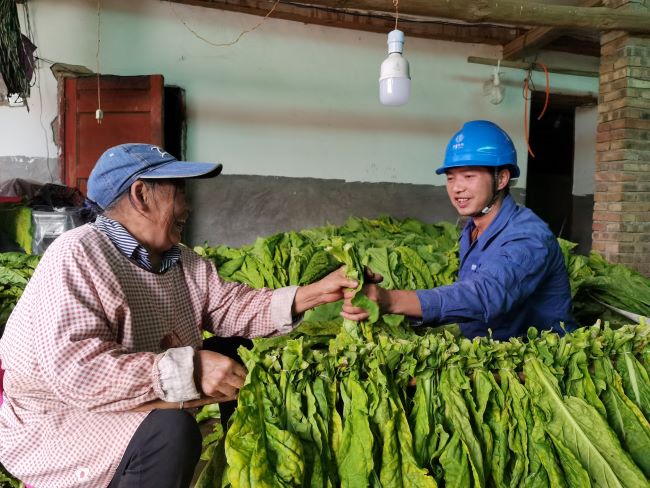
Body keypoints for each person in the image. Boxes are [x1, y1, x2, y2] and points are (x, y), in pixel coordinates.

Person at [0, 143, 358, 488]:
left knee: (234, 350)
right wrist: (194, 369)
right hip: (62, 422)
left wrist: (313, 294)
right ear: (141, 195)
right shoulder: (78, 252)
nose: (188, 207)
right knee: (172, 433)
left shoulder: (181, 261)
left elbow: (231, 307)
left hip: (129, 401)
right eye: (180, 191)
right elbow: (78, 373)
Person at [342, 120, 576, 340]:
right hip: (485, 347)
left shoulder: (528, 236)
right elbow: (467, 296)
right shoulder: (473, 228)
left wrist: (390, 300)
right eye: (451, 178)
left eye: (469, 176)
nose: (457, 188)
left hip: (536, 359)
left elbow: (484, 296)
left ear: (502, 178)